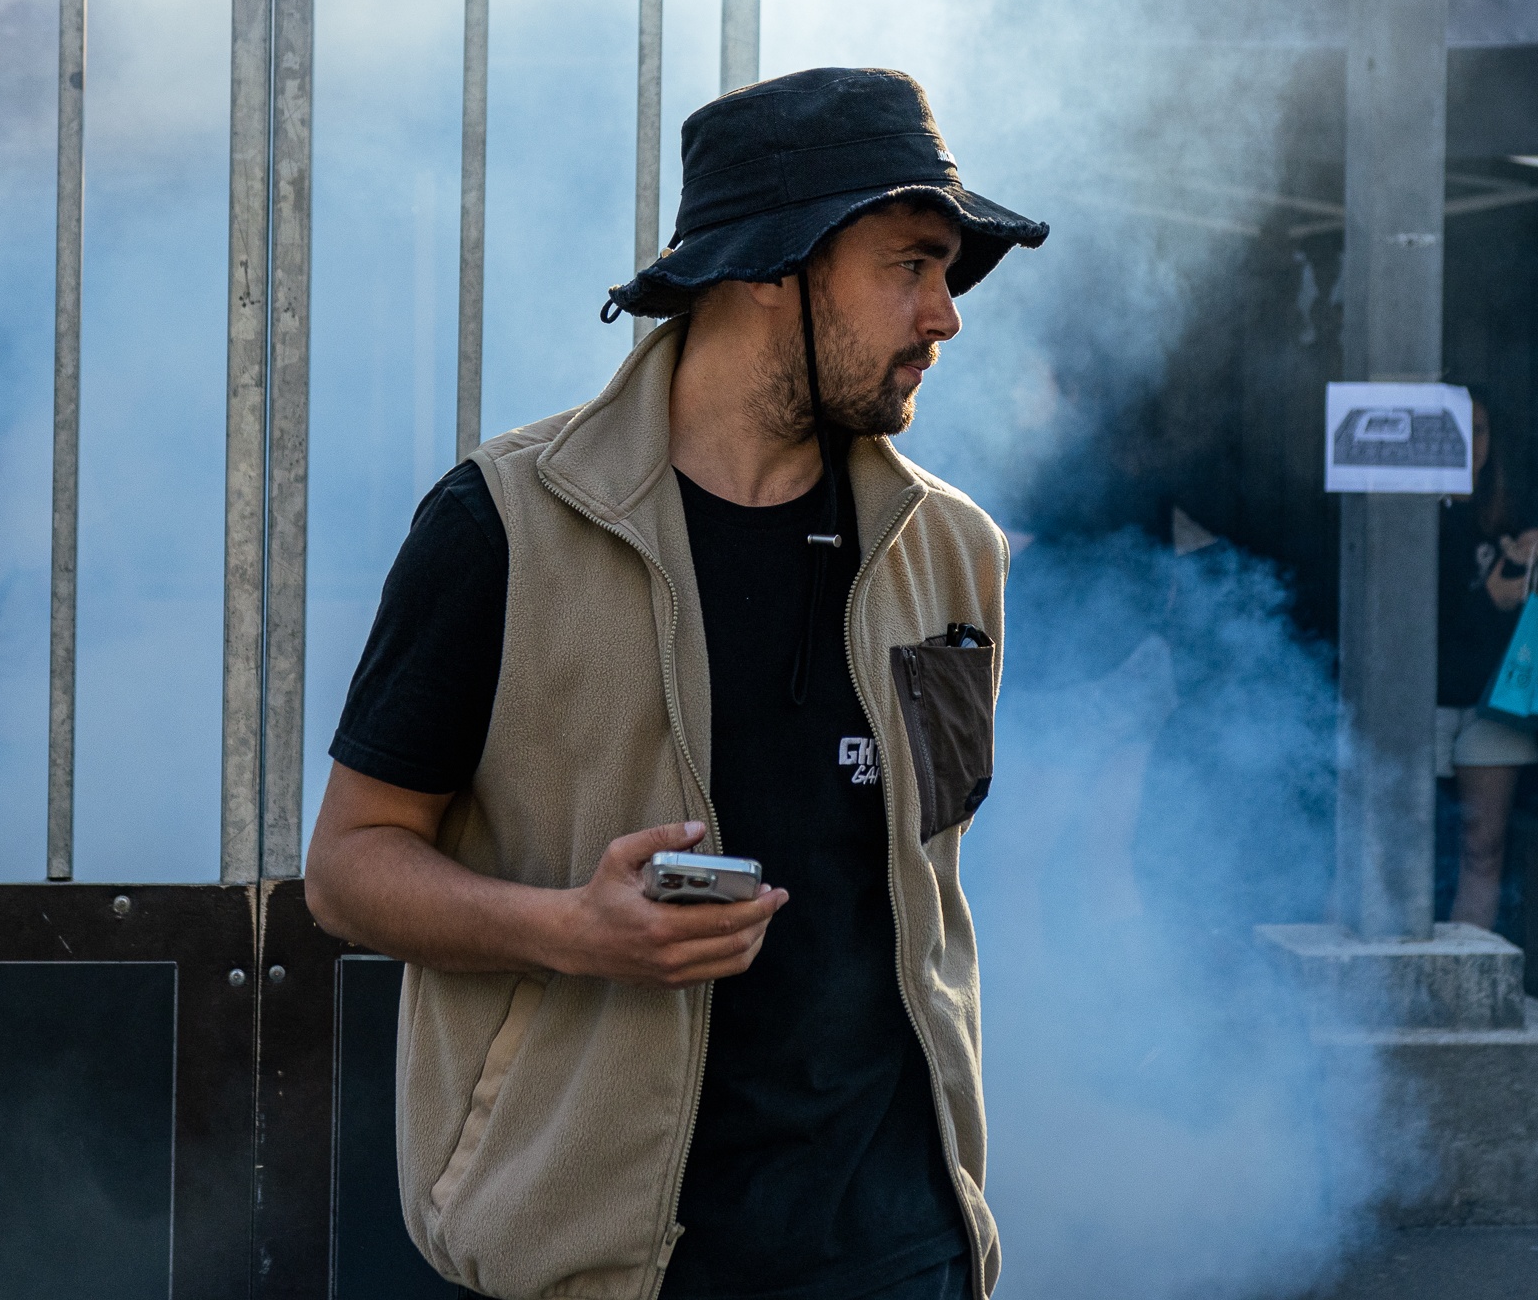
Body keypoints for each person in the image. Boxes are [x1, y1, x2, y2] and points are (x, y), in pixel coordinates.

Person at [305, 68, 1047, 1300]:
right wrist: (572, 931)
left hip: (900, 1249)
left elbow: (931, 868)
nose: (946, 316)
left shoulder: (951, 550)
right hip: (608, 1257)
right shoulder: (504, 525)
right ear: (770, 268)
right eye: (911, 267)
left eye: (950, 273)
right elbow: (346, 868)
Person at [1435, 397, 1538, 931]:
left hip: (1495, 701)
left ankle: (1468, 969)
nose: (1467, 443)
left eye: (1478, 430)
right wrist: (1491, 597)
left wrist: (1534, 564)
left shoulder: (1507, 513)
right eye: (1453, 429)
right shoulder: (1400, 510)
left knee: (1484, 848)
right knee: (1392, 846)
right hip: (1414, 698)